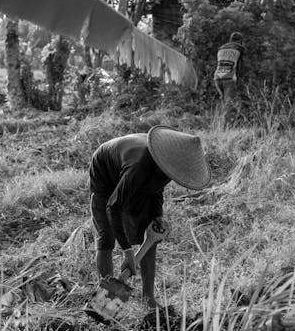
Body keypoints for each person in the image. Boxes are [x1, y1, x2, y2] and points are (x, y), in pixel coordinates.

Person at [89, 125, 211, 308]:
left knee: (149, 230)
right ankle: (106, 297)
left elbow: (156, 188)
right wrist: (128, 251)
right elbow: (113, 206)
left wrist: (157, 218)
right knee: (106, 235)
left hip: (131, 169)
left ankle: (149, 299)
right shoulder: (138, 167)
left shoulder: (167, 164)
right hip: (105, 174)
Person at [213, 32, 245, 111]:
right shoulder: (239, 48)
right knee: (229, 106)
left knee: (223, 102)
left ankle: (217, 121)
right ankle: (226, 122)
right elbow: (240, 66)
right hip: (229, 78)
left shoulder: (221, 48)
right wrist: (239, 79)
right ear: (240, 41)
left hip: (217, 78)